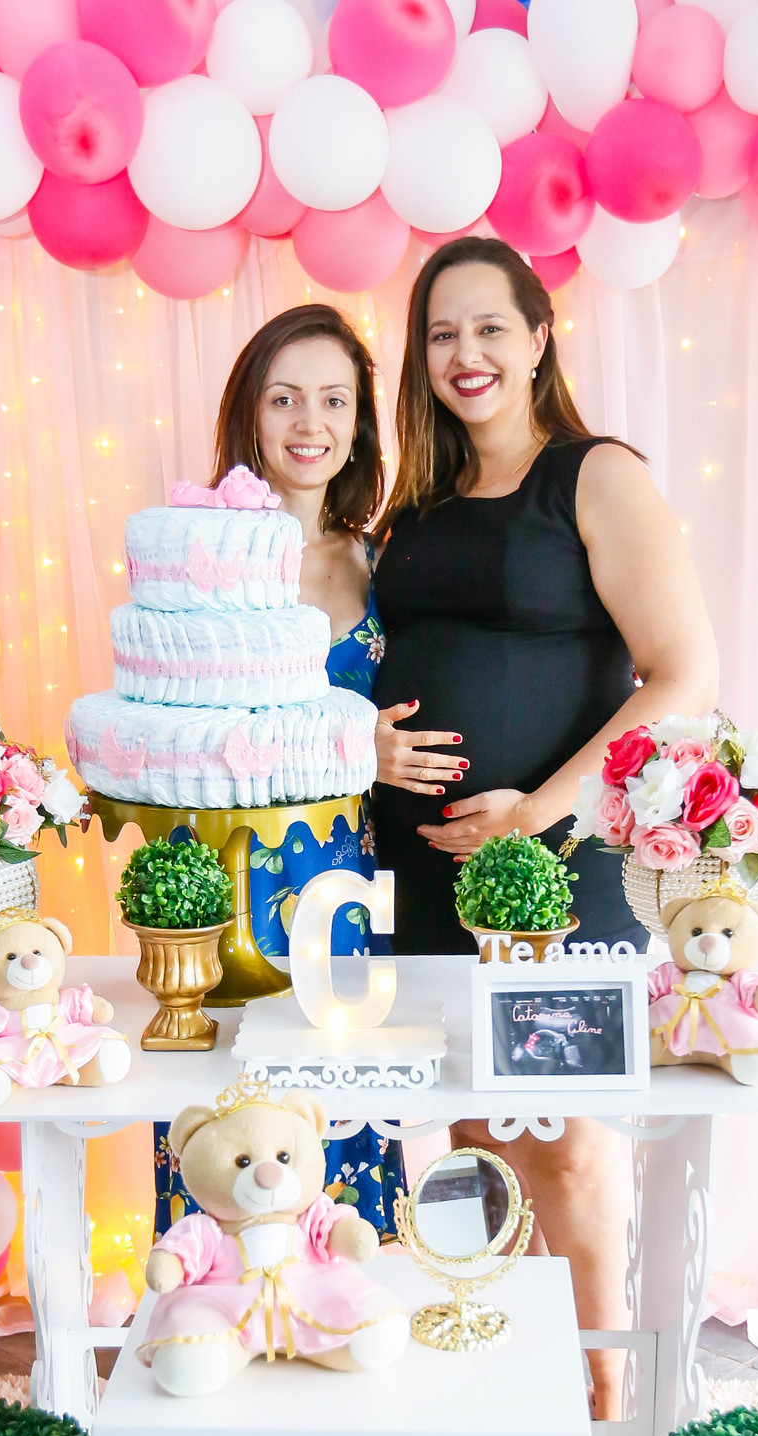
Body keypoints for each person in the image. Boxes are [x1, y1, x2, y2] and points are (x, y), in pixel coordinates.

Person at [372, 239, 719, 1436]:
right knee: (476, 1135)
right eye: (440, 334)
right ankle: (516, 1389)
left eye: (488, 328)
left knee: (566, 1142)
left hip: (559, 870)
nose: (464, 355)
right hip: (427, 873)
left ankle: (605, 1405)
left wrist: (540, 813)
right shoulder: (415, 507)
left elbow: (681, 675)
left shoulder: (594, 474)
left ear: (538, 337)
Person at [154, 304, 463, 1241]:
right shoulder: (200, 555)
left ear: (360, 422)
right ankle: (209, 1299)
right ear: (249, 412)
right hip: (230, 867)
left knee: (341, 1107)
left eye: (334, 400)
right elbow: (184, 731)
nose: (309, 423)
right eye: (284, 398)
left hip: (342, 878)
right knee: (229, 1118)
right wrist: (348, 747)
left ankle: (346, 1301)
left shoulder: (380, 557)